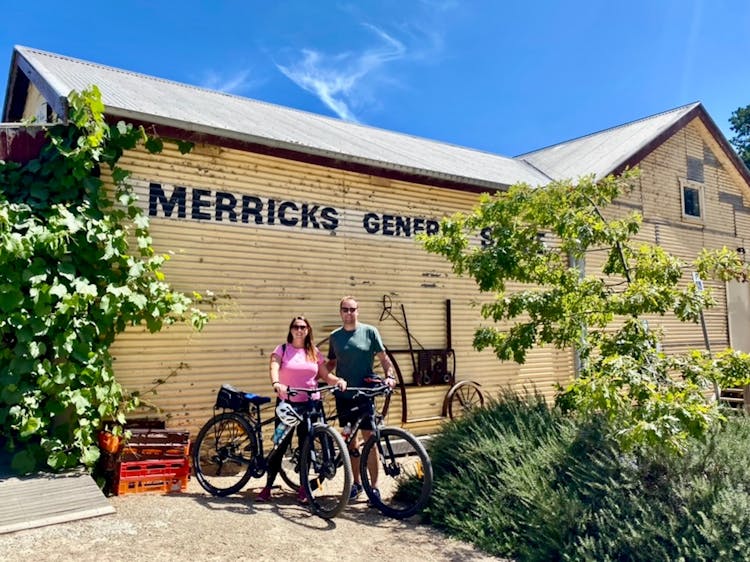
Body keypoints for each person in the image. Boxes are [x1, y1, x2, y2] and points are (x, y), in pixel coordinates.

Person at [256, 315, 346, 503]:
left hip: (310, 405)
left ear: (308, 330)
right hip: (287, 404)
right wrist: (276, 383)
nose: (299, 330)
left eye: (303, 327)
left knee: (307, 446)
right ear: (291, 330)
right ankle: (267, 487)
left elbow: (325, 375)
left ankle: (304, 488)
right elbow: (274, 367)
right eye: (296, 326)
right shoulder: (281, 350)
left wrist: (337, 381)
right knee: (279, 445)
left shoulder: (313, 351)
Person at [326, 296, 397, 502]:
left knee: (371, 441)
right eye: (345, 310)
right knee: (350, 442)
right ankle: (356, 484)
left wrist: (389, 376)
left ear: (358, 311)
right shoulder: (335, 337)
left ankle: (373, 487)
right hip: (344, 397)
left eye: (352, 309)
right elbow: (331, 363)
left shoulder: (370, 332)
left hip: (365, 396)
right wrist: (318, 376)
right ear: (340, 312)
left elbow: (384, 359)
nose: (349, 313)